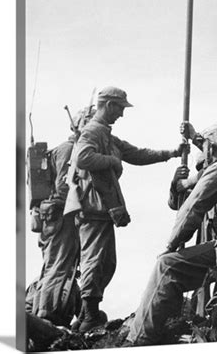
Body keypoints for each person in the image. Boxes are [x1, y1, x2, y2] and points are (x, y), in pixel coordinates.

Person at [126, 121, 217, 346]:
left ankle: (139, 340)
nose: (204, 150)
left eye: (206, 146)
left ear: (213, 148)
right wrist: (195, 138)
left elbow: (191, 209)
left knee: (167, 265)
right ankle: (168, 326)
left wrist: (171, 245)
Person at [70, 86, 183, 332]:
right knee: (96, 260)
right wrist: (112, 161)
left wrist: (171, 153)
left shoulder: (106, 135)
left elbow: (137, 154)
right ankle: (89, 315)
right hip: (93, 208)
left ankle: (85, 314)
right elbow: (83, 158)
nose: (121, 114)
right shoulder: (92, 132)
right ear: (109, 105)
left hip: (102, 209)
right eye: (120, 108)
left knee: (106, 262)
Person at [27, 107, 94, 327]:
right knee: (60, 267)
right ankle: (47, 316)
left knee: (58, 266)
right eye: (90, 122)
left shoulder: (70, 149)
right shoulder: (69, 149)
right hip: (61, 215)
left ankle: (36, 310)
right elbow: (65, 187)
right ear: (80, 125)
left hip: (57, 216)